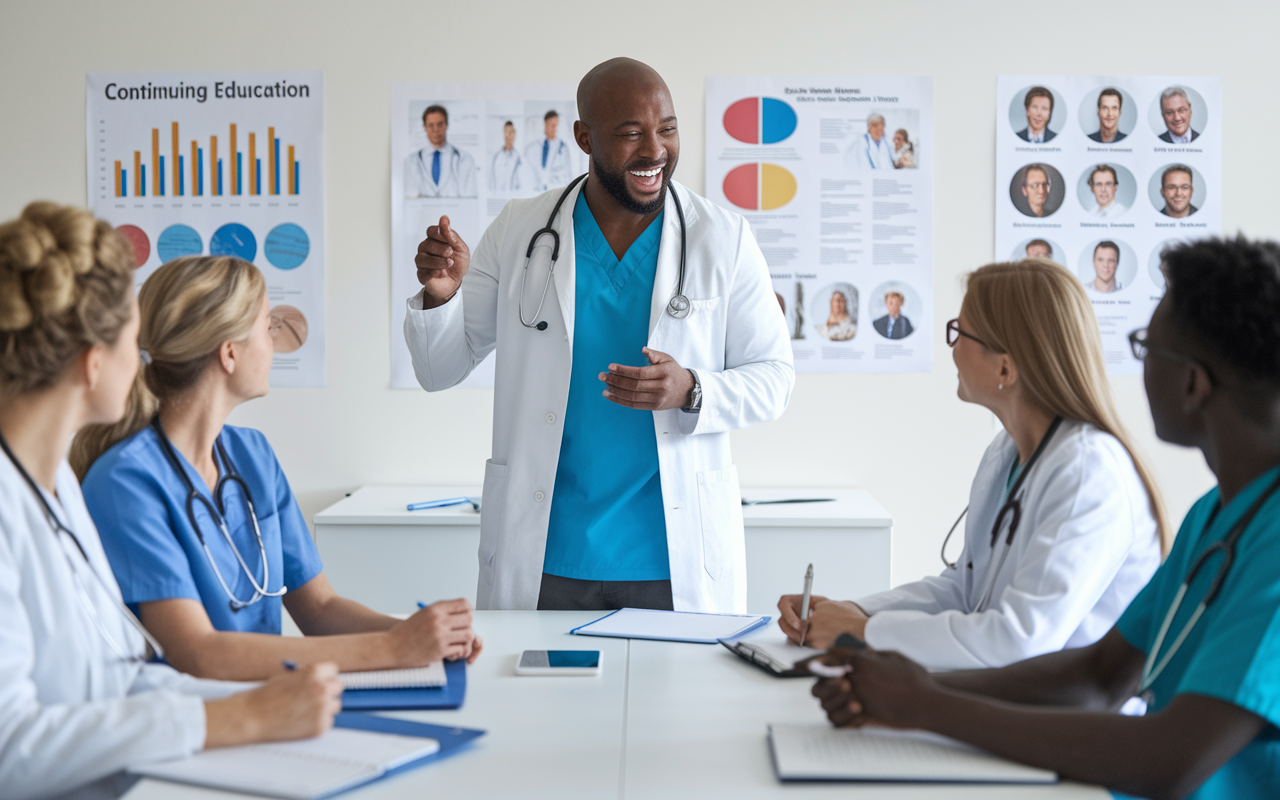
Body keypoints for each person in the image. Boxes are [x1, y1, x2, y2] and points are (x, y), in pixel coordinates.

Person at [811, 237, 1280, 800]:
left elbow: (1172, 759)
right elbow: (1096, 676)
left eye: (1144, 346)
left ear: (1192, 382)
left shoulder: (1265, 538)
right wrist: (902, 684)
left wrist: (923, 702)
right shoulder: (1219, 513)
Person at [405, 58, 794, 613]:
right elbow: (438, 369)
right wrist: (442, 295)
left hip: (672, 558)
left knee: (679, 701)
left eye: (667, 129)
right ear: (584, 137)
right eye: (631, 133)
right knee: (538, 700)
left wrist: (692, 389)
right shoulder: (520, 231)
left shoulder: (722, 238)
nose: (655, 150)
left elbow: (774, 377)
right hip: (545, 555)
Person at [0, 202, 343, 800]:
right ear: (93, 362)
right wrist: (241, 717)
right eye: (135, 339)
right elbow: (10, 748)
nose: (145, 361)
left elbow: (122, 678)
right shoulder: (64, 490)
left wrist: (267, 700)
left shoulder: (56, 489)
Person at [75, 256, 482, 681]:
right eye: (268, 326)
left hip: (271, 703)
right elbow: (196, 653)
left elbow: (320, 610)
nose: (276, 343)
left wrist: (424, 636)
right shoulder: (125, 483)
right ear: (229, 353)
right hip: (188, 721)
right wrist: (394, 648)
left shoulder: (252, 456)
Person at [779, 257, 1164, 670]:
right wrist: (850, 611)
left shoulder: (1089, 473)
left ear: (1005, 367)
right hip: (1007, 698)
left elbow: (1019, 639)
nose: (952, 347)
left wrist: (861, 632)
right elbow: (966, 590)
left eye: (959, 332)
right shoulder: (1009, 452)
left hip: (1072, 722)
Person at [404, 104, 479, 198]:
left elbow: (470, 197)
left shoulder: (464, 159)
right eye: (431, 125)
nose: (436, 130)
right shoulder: (412, 160)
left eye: (440, 124)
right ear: (425, 127)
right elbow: (410, 195)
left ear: (446, 125)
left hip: (455, 212)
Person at [525, 109, 575, 191]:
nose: (554, 128)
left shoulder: (563, 148)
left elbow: (568, 174)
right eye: (552, 125)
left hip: (556, 191)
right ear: (545, 124)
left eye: (556, 125)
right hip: (536, 191)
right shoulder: (533, 147)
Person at [489, 120, 525, 193]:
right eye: (506, 132)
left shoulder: (519, 158)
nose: (509, 135)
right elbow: (492, 181)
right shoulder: (496, 157)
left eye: (511, 132)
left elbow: (521, 182)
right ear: (503, 133)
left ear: (514, 134)